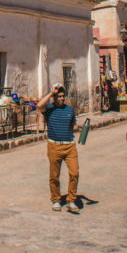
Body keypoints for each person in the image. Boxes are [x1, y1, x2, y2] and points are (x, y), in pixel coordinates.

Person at [37, 83, 82, 213]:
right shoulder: (49, 109)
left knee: (74, 173)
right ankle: (56, 199)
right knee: (54, 176)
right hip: (54, 146)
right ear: (54, 98)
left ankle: (71, 200)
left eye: (63, 96)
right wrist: (51, 93)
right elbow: (39, 106)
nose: (62, 99)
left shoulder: (69, 109)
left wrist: (79, 128)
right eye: (59, 97)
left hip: (69, 146)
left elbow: (73, 125)